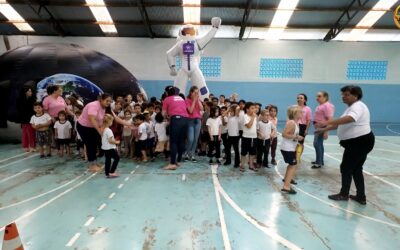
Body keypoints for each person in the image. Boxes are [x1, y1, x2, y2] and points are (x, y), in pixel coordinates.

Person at [317, 85, 374, 205]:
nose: (343, 97)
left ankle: (344, 194)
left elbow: (350, 119)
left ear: (356, 96)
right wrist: (325, 129)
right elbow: (341, 124)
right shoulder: (352, 107)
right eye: (343, 94)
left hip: (359, 142)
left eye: (347, 95)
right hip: (360, 142)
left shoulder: (357, 106)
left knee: (346, 167)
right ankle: (360, 196)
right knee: (356, 169)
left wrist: (328, 121)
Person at [76, 93, 113, 171]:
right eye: (107, 101)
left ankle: (95, 162)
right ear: (101, 100)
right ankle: (92, 165)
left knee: (97, 143)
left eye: (110, 101)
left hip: (93, 127)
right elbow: (92, 120)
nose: (109, 103)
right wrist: (100, 131)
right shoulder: (94, 105)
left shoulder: (104, 107)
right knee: (90, 145)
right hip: (84, 127)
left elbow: (102, 120)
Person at [162, 86, 189, 170]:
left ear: (167, 93)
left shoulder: (167, 99)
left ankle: (172, 163)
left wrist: (167, 117)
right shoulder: (181, 98)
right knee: (181, 141)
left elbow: (163, 113)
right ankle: (178, 161)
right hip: (185, 120)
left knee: (173, 142)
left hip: (176, 120)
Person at [280, 106, 304, 194]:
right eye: (300, 112)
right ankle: (286, 186)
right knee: (293, 165)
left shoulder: (295, 123)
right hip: (287, 148)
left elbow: (290, 135)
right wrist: (297, 137)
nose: (302, 113)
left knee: (291, 165)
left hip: (290, 147)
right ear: (295, 113)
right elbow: (284, 134)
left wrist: (296, 140)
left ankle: (287, 179)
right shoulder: (291, 123)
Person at [312, 91, 335, 169]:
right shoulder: (321, 105)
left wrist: (326, 131)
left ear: (325, 97)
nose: (317, 98)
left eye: (319, 96)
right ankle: (320, 160)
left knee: (317, 144)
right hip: (318, 127)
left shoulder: (327, 106)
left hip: (322, 128)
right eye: (317, 96)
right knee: (319, 144)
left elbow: (330, 119)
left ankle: (319, 163)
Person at [185, 86, 203, 162]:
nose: (196, 94)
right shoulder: (187, 100)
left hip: (198, 121)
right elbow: (191, 111)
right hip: (190, 121)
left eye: (197, 92)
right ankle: (187, 153)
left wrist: (197, 100)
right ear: (191, 92)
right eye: (195, 92)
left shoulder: (198, 100)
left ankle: (192, 155)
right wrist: (194, 101)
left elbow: (202, 109)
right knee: (190, 139)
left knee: (195, 139)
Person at [17, 86, 36, 152]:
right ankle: (26, 146)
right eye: (29, 91)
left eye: (31, 91)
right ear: (25, 92)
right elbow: (19, 110)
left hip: (31, 118)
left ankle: (32, 146)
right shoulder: (20, 100)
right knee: (25, 133)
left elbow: (33, 109)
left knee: (31, 132)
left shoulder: (32, 99)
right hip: (24, 119)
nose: (31, 92)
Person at [101, 114, 120, 178]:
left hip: (105, 148)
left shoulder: (103, 129)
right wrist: (117, 142)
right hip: (110, 148)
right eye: (112, 121)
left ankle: (107, 173)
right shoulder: (109, 130)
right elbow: (110, 141)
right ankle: (112, 172)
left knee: (108, 160)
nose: (112, 123)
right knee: (117, 158)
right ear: (109, 122)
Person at [240, 102, 258, 172]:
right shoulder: (245, 116)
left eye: (254, 108)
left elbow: (255, 127)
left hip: (254, 137)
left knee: (252, 153)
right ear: (247, 109)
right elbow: (249, 126)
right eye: (252, 108)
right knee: (244, 153)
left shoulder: (254, 117)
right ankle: (242, 166)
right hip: (246, 137)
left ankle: (251, 165)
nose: (254, 110)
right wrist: (253, 117)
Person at [296, 93, 312, 162]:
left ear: (305, 100)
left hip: (302, 126)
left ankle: (298, 157)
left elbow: (308, 120)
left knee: (300, 143)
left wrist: (306, 130)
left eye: (301, 98)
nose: (299, 99)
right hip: (295, 126)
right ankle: (294, 155)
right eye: (298, 98)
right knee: (294, 141)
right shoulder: (294, 107)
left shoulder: (308, 109)